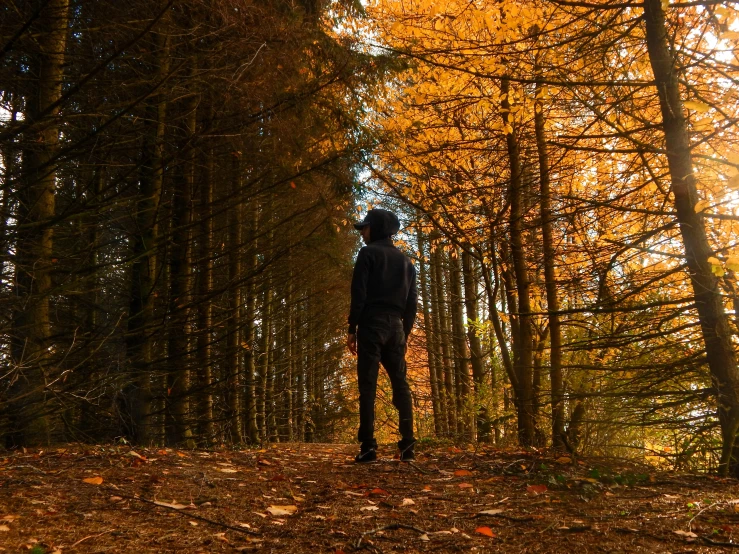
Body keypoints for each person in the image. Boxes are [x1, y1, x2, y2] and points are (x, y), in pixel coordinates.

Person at [347, 208, 418, 463]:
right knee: (401, 385)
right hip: (396, 327)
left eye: (364, 228)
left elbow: (359, 294)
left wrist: (351, 329)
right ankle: (408, 446)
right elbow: (412, 305)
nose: (362, 232)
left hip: (371, 324)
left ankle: (368, 448)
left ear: (374, 229)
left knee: (368, 386)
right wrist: (404, 334)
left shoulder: (367, 254)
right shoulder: (407, 262)